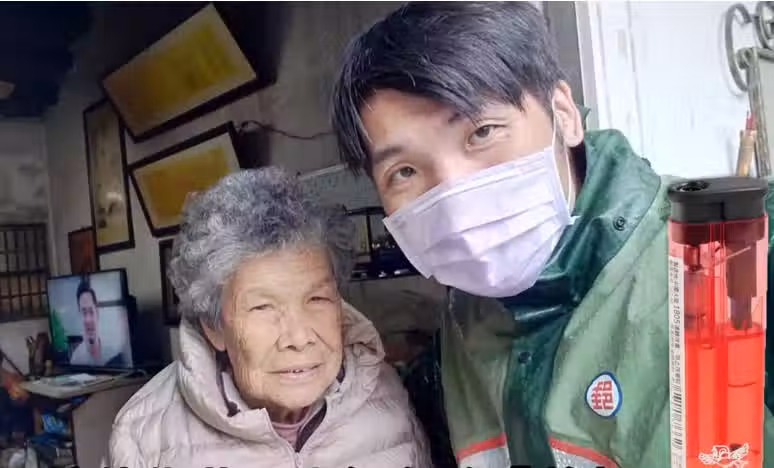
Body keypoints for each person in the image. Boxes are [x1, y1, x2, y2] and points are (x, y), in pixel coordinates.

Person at [332, 3, 774, 467]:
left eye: (482, 132)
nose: (454, 197)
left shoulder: (744, 256)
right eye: (404, 171)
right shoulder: (463, 326)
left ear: (563, 114)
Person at [107, 168, 431, 467]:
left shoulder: (386, 392)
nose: (299, 338)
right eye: (263, 307)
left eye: (317, 299)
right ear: (214, 327)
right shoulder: (142, 437)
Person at [69, 280, 125, 367]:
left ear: (97, 313)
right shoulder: (76, 359)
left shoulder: (113, 354)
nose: (88, 320)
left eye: (91, 311)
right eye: (84, 313)